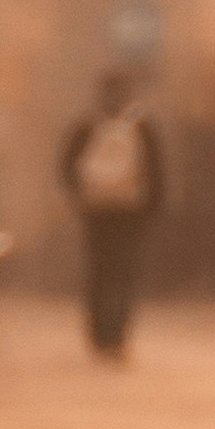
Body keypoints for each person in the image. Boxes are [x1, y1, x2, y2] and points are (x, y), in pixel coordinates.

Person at [56, 66, 164, 361]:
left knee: (99, 273)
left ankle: (99, 336)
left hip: (97, 211)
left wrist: (79, 197)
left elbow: (66, 166)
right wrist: (152, 209)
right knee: (124, 273)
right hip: (131, 212)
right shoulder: (141, 125)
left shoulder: (87, 126)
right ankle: (118, 336)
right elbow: (156, 171)